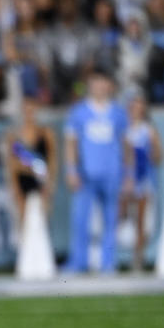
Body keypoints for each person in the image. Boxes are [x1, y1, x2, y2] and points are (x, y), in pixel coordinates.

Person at [64, 69, 130, 273]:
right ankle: (78, 261)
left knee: (111, 220)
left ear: (110, 86)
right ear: (89, 85)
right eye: (95, 82)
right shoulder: (78, 112)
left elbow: (126, 144)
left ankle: (108, 262)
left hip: (112, 173)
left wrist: (128, 174)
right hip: (86, 174)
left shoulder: (119, 113)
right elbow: (71, 143)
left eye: (103, 82)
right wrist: (71, 169)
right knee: (80, 219)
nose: (99, 87)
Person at [123, 92, 163, 271]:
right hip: (126, 180)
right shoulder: (123, 129)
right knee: (123, 215)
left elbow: (159, 156)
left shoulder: (148, 130)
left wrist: (149, 153)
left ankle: (138, 256)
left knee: (142, 219)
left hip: (144, 179)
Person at [4, 95, 58, 223]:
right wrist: (15, 185)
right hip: (23, 180)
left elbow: (52, 159)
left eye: (32, 110)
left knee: (43, 219)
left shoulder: (46, 133)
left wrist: (50, 183)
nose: (29, 114)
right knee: (24, 220)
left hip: (41, 179)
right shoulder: (13, 136)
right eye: (26, 111)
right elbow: (11, 164)